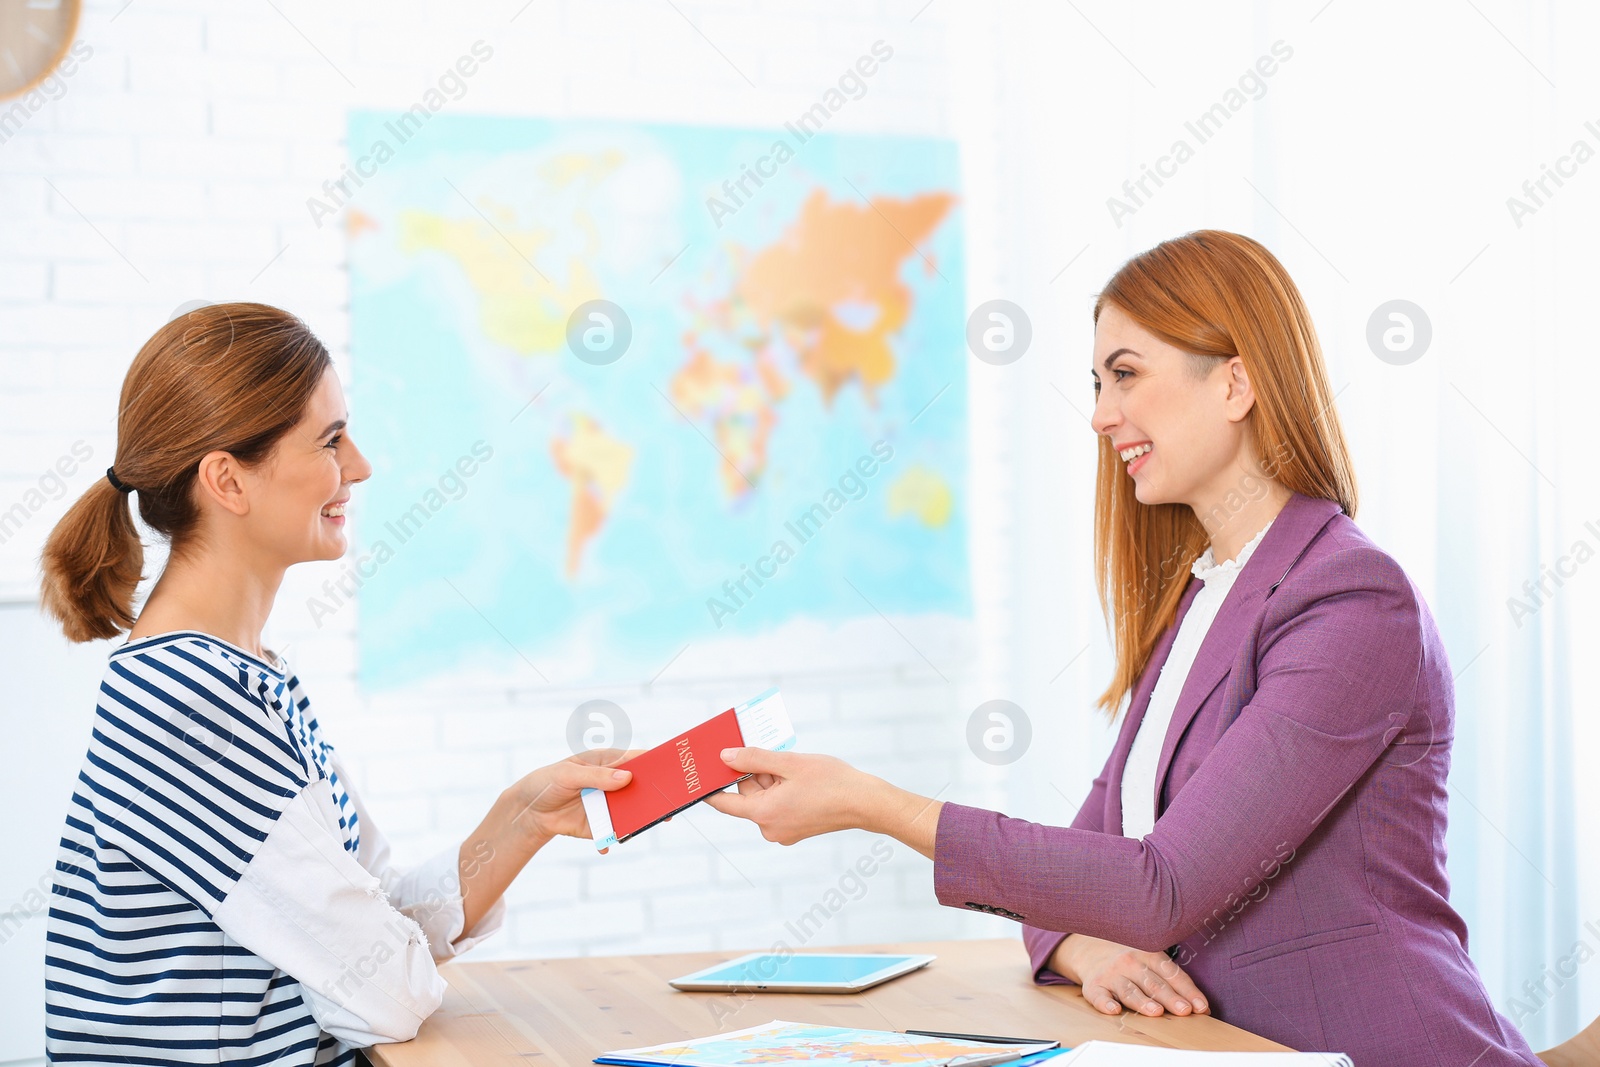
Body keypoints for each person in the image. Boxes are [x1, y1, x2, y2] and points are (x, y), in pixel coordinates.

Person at [706, 231, 1541, 1065]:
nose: (1103, 412)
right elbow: (1081, 868)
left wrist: (877, 806)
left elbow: (1158, 887)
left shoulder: (1353, 602)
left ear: (1237, 382)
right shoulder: (1204, 597)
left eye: (1128, 373)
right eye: (1099, 381)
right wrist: (1085, 946)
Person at [38, 303, 633, 1066]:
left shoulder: (244, 674)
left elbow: (371, 914)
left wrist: (522, 819)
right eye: (330, 439)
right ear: (227, 479)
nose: (360, 465)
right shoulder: (190, 699)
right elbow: (384, 987)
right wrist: (384, 961)